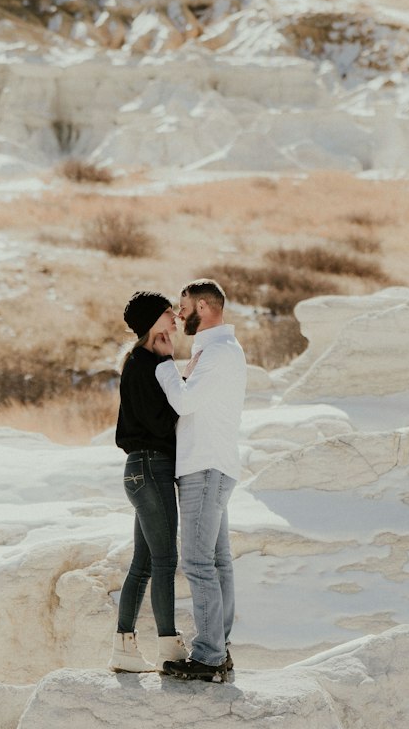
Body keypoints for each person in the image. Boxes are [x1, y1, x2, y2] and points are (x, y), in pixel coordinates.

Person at [153, 278, 247, 683]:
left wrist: (164, 367)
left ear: (205, 308)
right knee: (218, 561)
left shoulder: (219, 353)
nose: (178, 313)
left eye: (183, 305)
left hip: (204, 468)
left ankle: (208, 655)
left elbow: (186, 402)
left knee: (197, 562)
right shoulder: (218, 350)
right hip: (215, 465)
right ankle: (218, 649)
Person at [108, 290, 189, 674]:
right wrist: (172, 367)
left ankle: (123, 647)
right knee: (164, 560)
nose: (175, 321)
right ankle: (169, 648)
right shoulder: (147, 365)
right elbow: (159, 424)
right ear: (151, 322)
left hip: (140, 471)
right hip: (151, 468)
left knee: (143, 563)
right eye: (168, 315)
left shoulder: (139, 361)